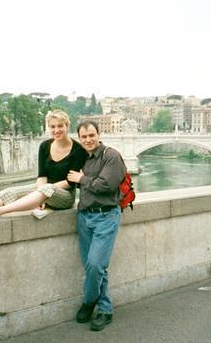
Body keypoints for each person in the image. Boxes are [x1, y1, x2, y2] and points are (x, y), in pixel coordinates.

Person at [67, 120, 126, 332]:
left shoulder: (111, 156)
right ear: (80, 139)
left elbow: (106, 185)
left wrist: (83, 178)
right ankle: (105, 309)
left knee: (95, 265)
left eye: (91, 135)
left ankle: (89, 301)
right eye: (83, 137)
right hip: (84, 217)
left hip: (106, 217)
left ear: (98, 134)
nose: (88, 140)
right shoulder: (83, 157)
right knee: (96, 267)